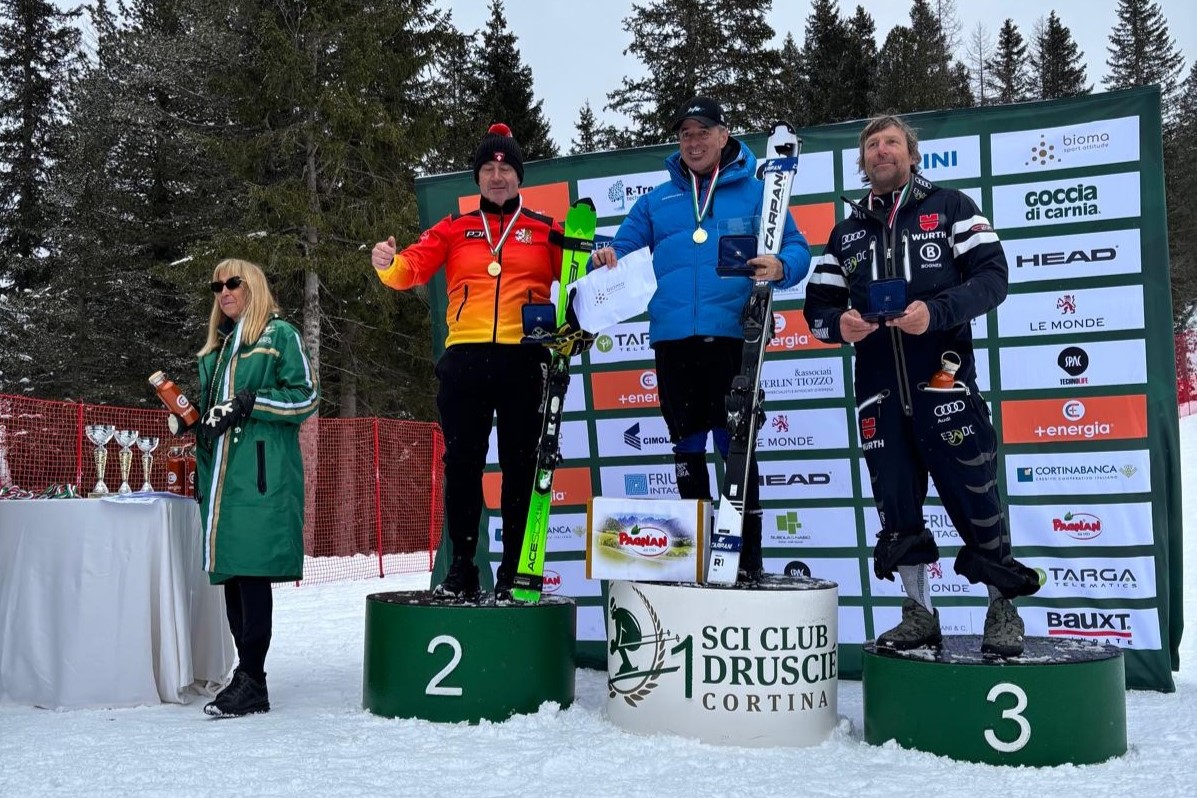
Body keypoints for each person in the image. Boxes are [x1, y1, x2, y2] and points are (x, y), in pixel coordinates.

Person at [803, 115, 1040, 657]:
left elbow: (993, 277)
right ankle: (919, 613)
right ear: (862, 161)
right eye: (872, 144)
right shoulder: (846, 233)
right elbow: (818, 308)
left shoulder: (951, 207)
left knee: (977, 499)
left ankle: (1002, 608)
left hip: (945, 388)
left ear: (911, 155)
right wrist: (839, 324)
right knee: (896, 509)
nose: (881, 150)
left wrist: (935, 313)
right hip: (879, 395)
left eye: (891, 142)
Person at [592, 97, 811, 583]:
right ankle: (696, 559)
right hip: (674, 342)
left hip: (735, 337)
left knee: (738, 447)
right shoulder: (656, 201)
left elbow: (797, 248)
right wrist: (604, 258)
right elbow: (621, 249)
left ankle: (747, 561)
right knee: (687, 445)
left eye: (703, 132)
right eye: (685, 134)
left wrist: (781, 266)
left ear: (723, 134)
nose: (693, 142)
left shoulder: (757, 192)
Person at [371, 123, 563, 602]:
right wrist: (388, 264)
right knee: (461, 465)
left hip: (524, 358)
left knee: (520, 465)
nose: (497, 177)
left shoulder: (545, 229)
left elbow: (578, 278)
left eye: (506, 168)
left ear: (519, 176)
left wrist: (600, 263)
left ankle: (515, 571)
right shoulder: (454, 228)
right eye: (488, 169)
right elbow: (412, 268)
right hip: (465, 359)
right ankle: (462, 568)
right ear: (477, 177)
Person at [190, 258, 319, 717]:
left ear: (254, 286)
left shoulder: (278, 335)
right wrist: (196, 423)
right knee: (232, 571)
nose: (223, 291)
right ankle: (247, 676)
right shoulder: (219, 348)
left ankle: (253, 677)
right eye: (217, 286)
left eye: (233, 283)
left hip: (261, 476)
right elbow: (216, 413)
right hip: (224, 479)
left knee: (252, 572)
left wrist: (251, 402)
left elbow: (306, 396)